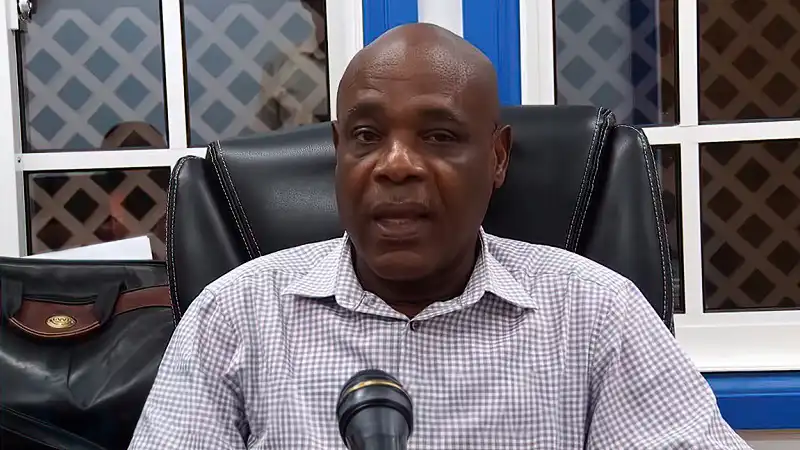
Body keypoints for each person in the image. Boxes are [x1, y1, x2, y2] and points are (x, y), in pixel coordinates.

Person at [128, 23, 751, 449]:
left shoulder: (596, 313)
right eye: (366, 136)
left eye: (440, 136)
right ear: (338, 153)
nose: (396, 165)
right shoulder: (235, 315)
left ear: (497, 158)